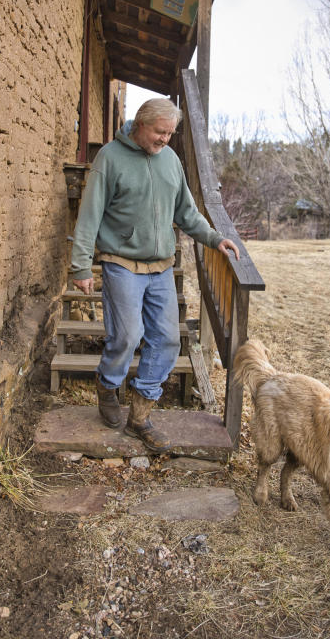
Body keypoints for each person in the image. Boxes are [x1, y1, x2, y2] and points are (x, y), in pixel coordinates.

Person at [69, 98, 240, 452]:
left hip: (160, 267)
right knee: (127, 336)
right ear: (140, 125)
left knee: (167, 340)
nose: (165, 139)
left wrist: (213, 238)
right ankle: (108, 385)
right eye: (160, 132)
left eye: (170, 134)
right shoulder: (110, 158)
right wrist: (81, 265)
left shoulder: (171, 160)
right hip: (121, 262)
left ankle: (141, 415)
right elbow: (89, 216)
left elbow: (187, 212)